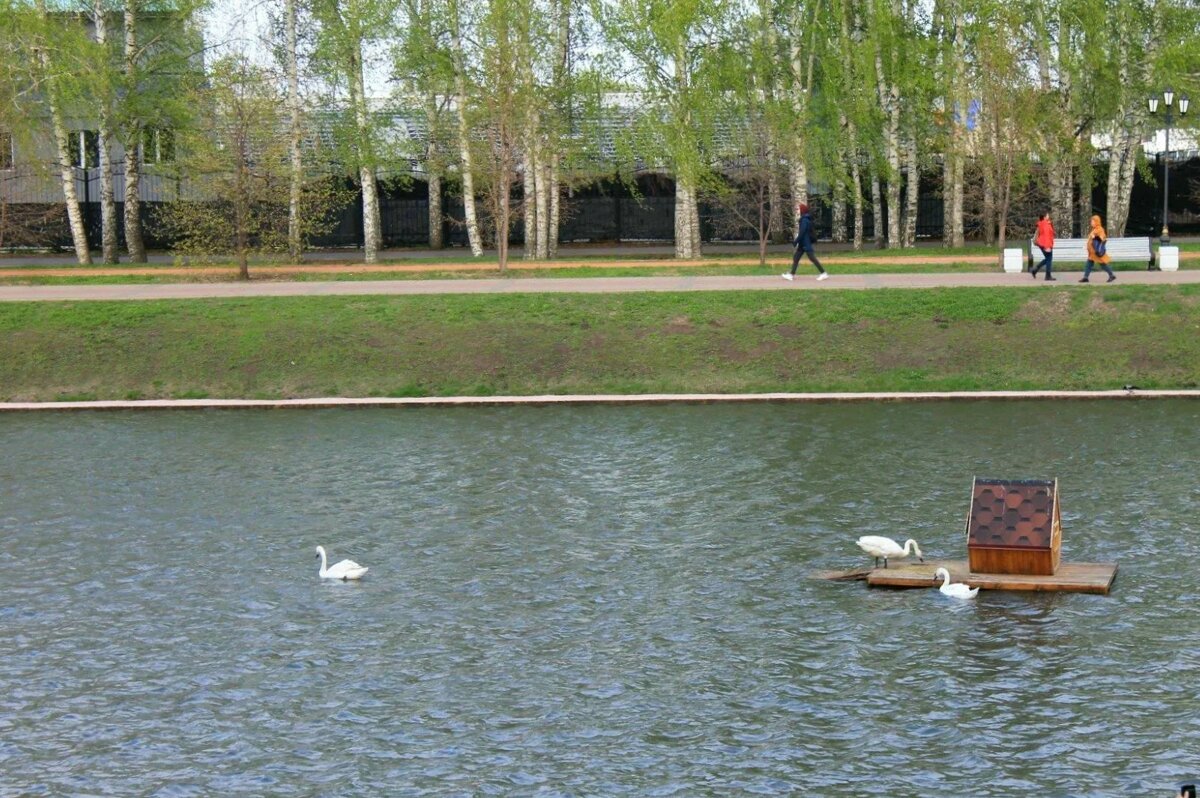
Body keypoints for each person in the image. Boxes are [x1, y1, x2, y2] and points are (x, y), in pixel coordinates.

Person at [783, 202, 828, 281]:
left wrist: (796, 241)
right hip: (803, 243)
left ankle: (823, 273)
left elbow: (802, 232)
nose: (796, 211)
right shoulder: (804, 219)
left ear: (802, 210)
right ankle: (791, 275)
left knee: (812, 258)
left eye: (798, 209)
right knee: (796, 258)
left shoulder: (804, 220)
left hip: (805, 243)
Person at [1081, 214, 1116, 283]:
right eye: (1091, 221)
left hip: (1096, 251)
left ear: (1097, 222)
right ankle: (1085, 277)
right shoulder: (1094, 229)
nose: (1091, 223)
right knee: (1089, 263)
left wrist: (1094, 237)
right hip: (1092, 252)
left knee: (1103, 264)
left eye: (1093, 221)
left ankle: (1111, 275)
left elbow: (1102, 238)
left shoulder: (1100, 229)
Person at [1030, 212, 1056, 281]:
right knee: (1049, 259)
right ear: (1044, 217)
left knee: (1047, 259)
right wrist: (1047, 247)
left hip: (1041, 243)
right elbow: (1047, 236)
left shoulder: (1042, 223)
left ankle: (1035, 270)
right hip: (1045, 244)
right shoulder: (1045, 224)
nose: (1049, 216)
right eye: (1047, 215)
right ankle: (1047, 276)